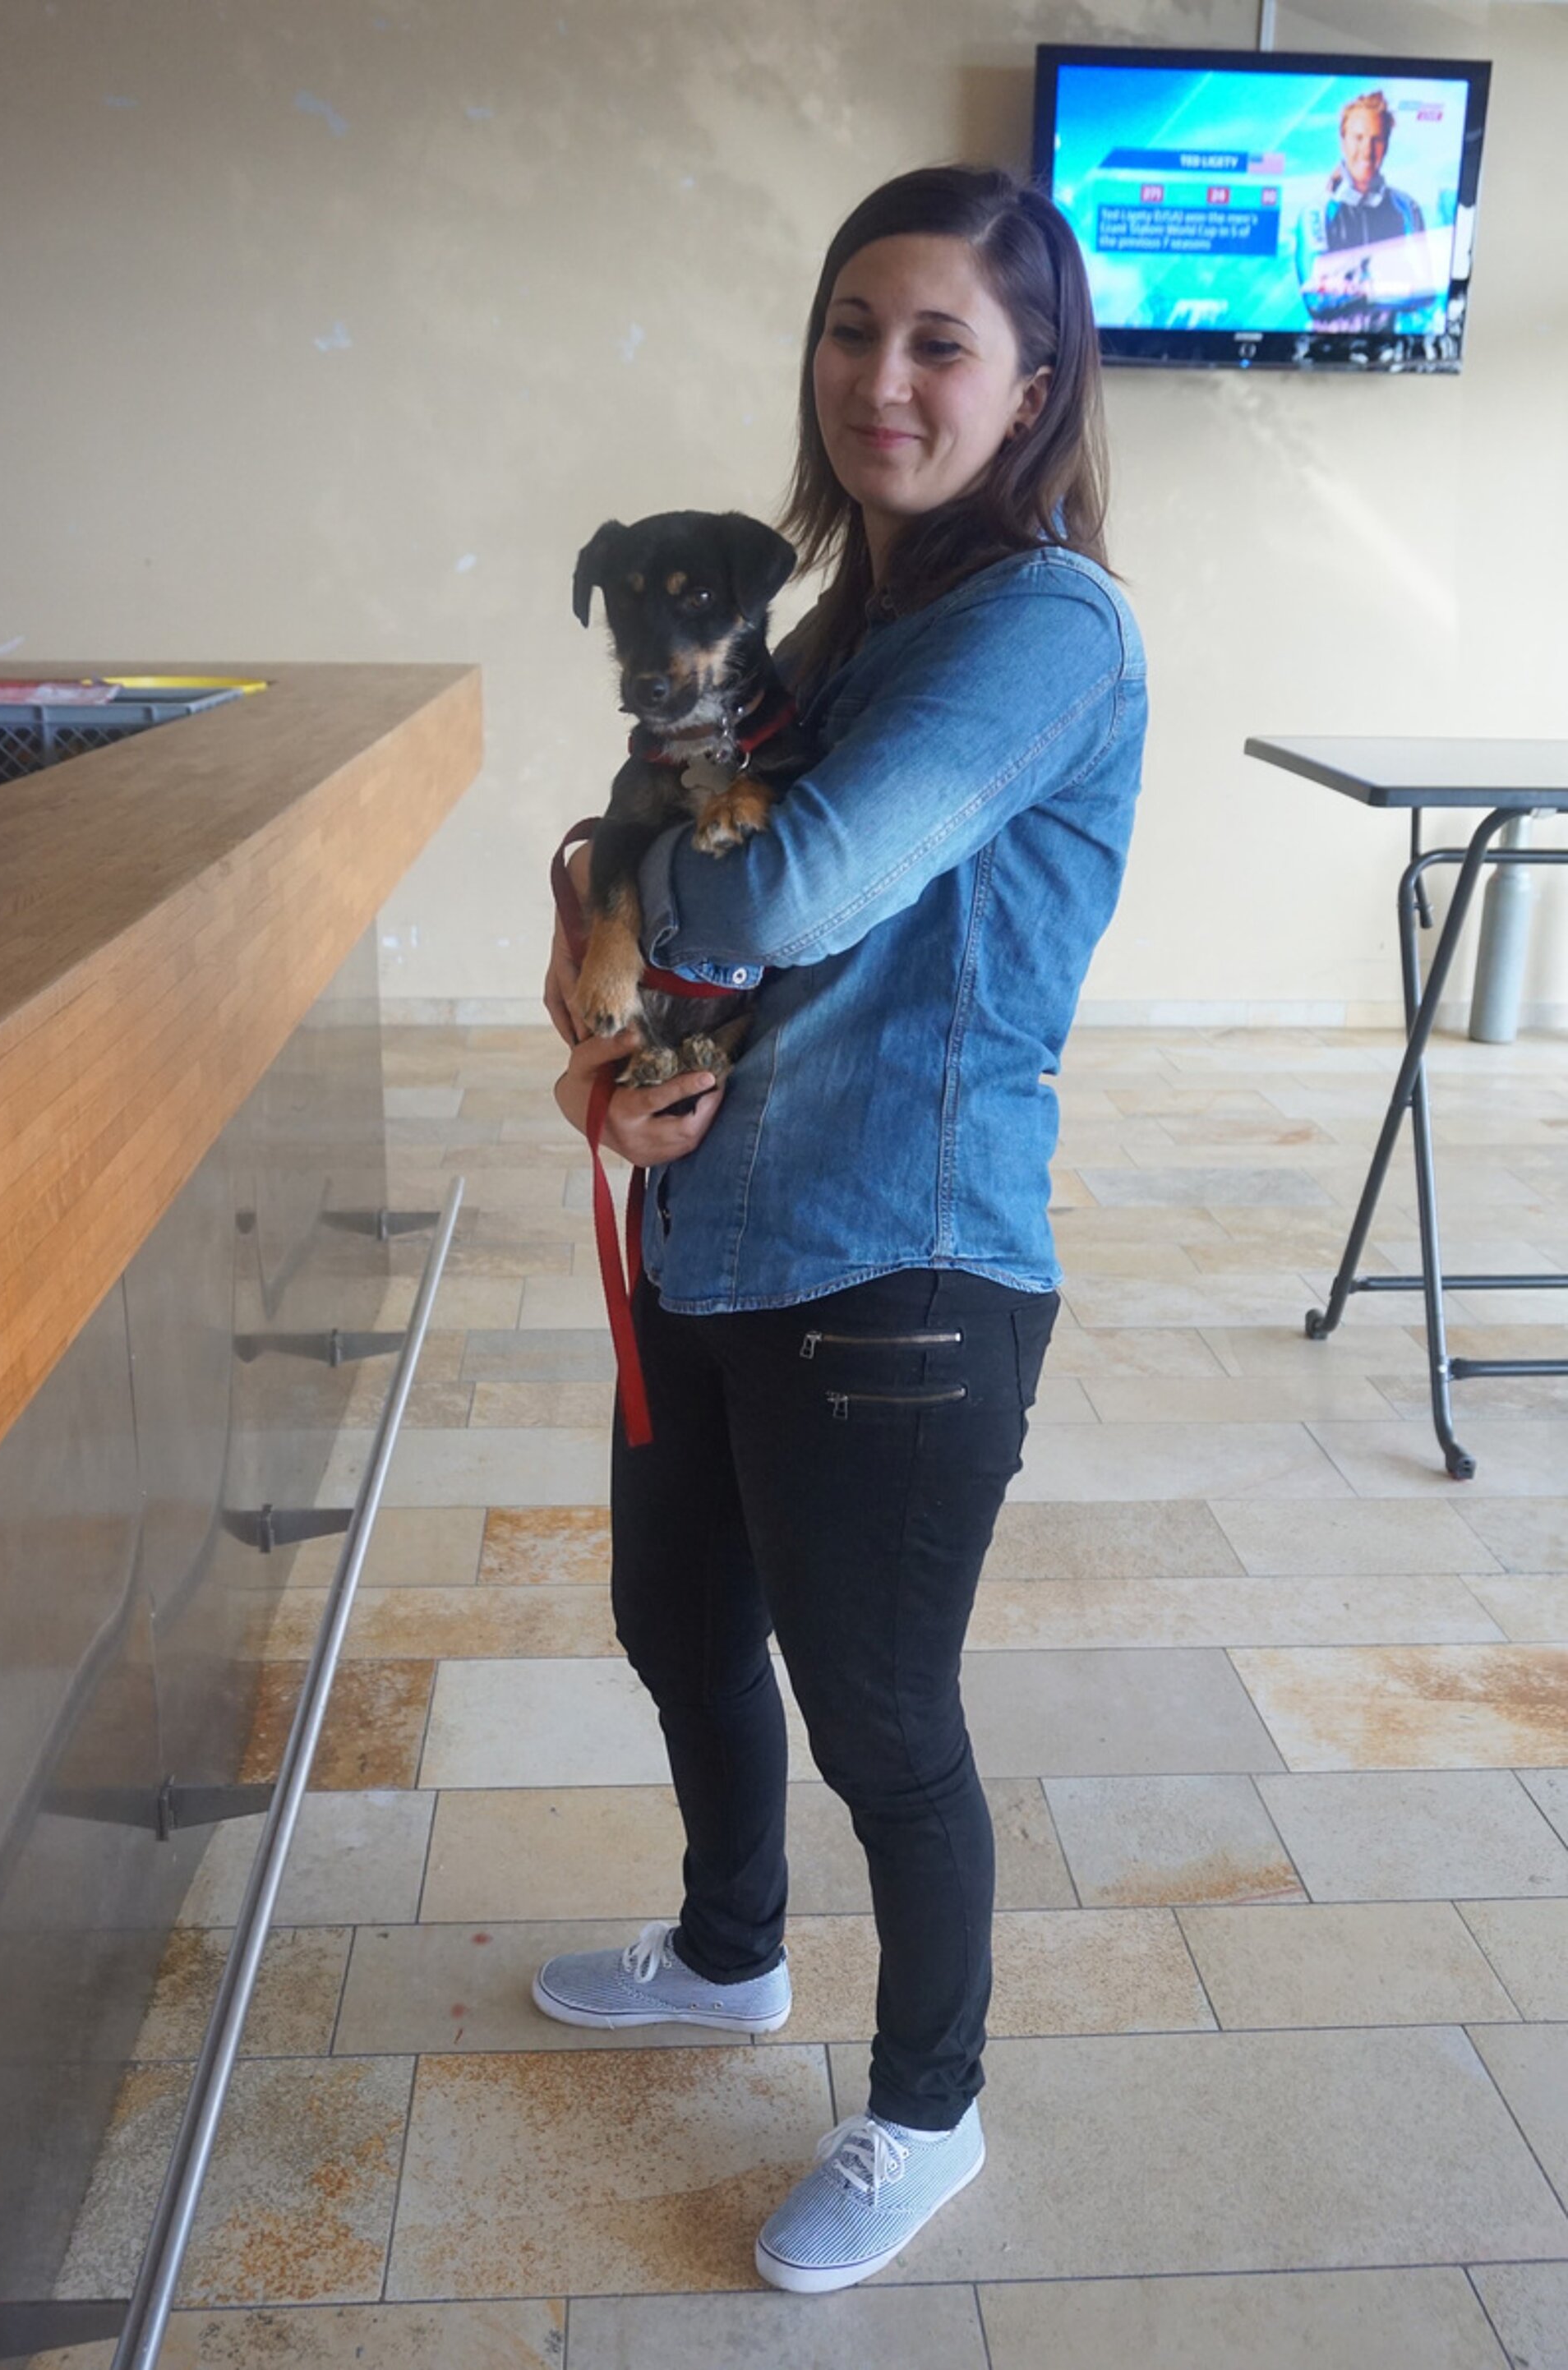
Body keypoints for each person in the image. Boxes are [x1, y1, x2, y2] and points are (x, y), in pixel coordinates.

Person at [539, 162, 1146, 2294]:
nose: (881, 377)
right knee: (674, 1617)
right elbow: (678, 875)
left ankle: (929, 2108)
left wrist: (610, 880)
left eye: (938, 342)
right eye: (850, 327)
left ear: (1032, 385)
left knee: (880, 1714)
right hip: (717, 1233)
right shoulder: (843, 621)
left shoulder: (1044, 624)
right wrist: (613, 1018)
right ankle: (729, 1951)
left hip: (904, 1266)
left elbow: (786, 885)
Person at [1296, 90, 1432, 334]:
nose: (1367, 150)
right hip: (1323, 349)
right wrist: (1389, 286)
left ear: (1387, 144)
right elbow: (1316, 300)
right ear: (1343, 141)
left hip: (1390, 350)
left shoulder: (1407, 208)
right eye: (1358, 138)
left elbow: (1425, 291)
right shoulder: (1316, 213)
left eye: (1376, 139)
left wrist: (1350, 287)